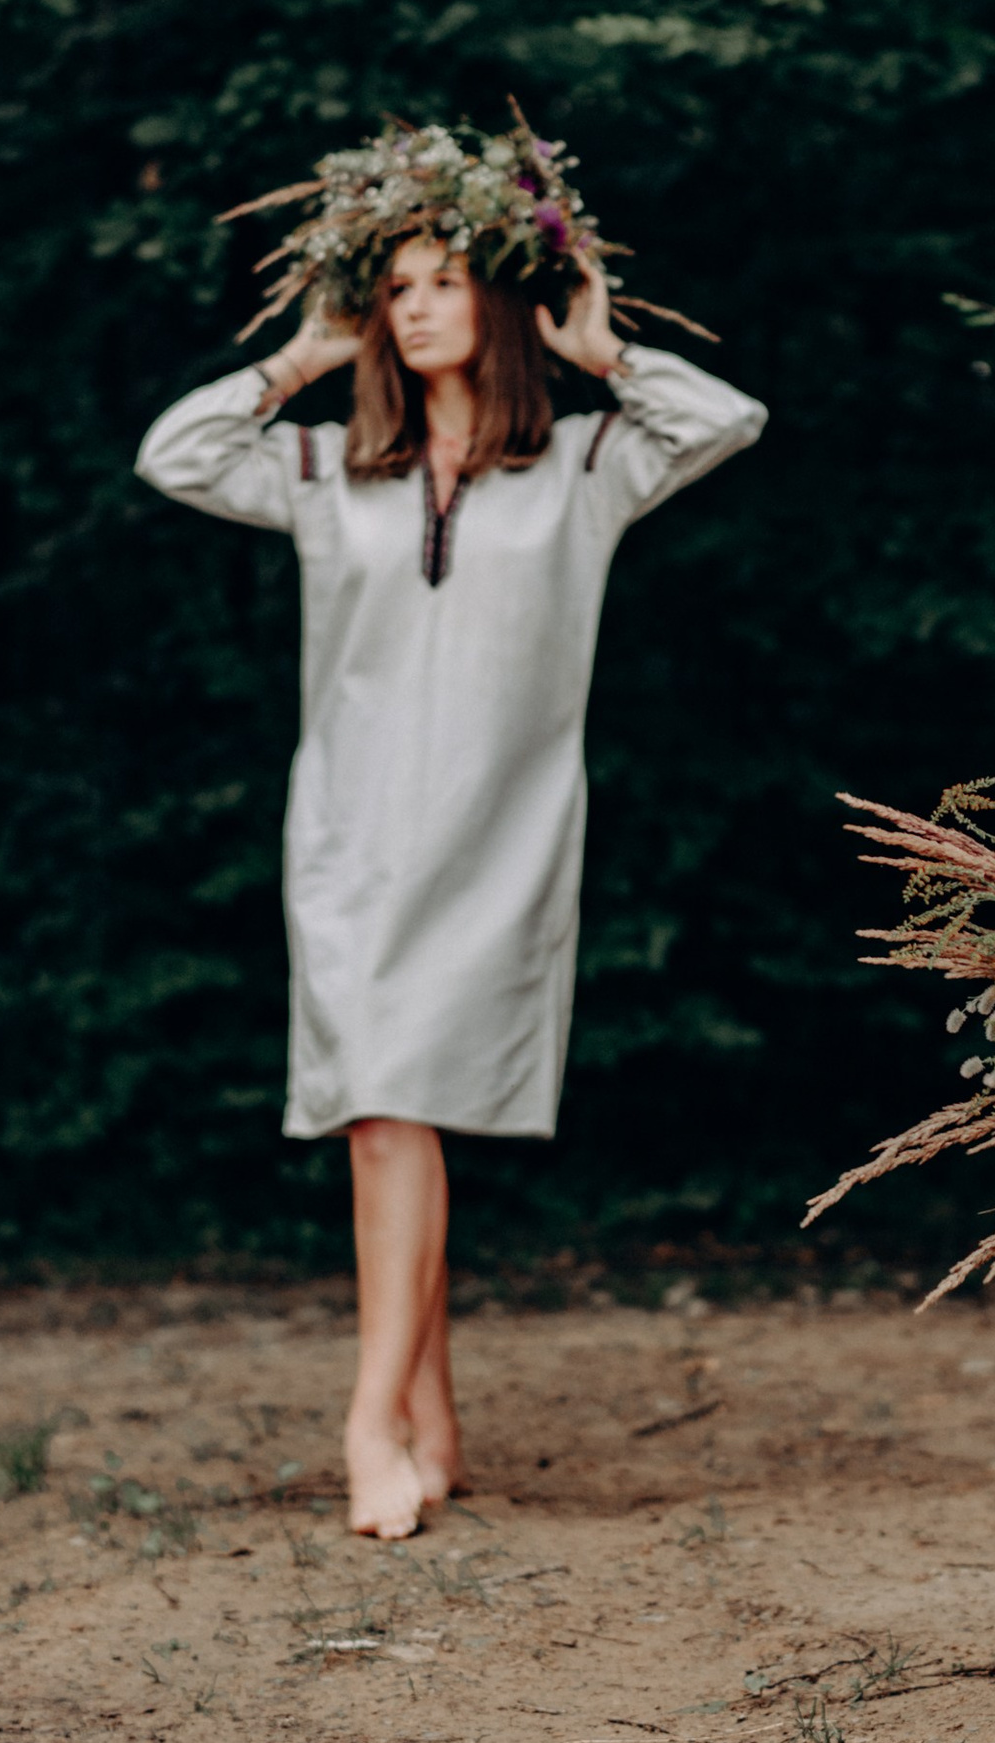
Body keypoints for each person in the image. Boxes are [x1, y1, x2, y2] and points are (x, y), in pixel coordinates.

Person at [136, 125, 764, 1539]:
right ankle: (399, 1413)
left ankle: (399, 1412)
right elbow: (172, 451)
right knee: (382, 1116)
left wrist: (603, 346)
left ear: (497, 295)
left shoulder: (584, 467)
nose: (414, 302)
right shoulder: (325, 472)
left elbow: (722, 422)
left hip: (498, 839)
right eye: (394, 283)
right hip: (352, 841)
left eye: (441, 277)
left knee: (400, 1114)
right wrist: (300, 354)